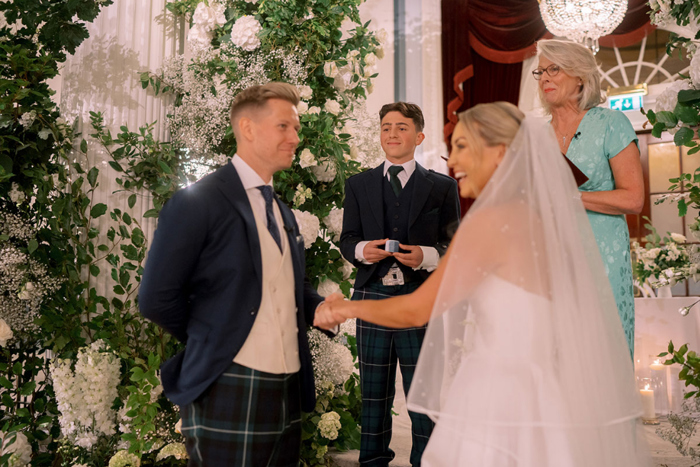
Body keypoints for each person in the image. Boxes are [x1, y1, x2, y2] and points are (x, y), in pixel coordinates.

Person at [317, 102, 650, 466]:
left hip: (497, 393)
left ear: (499, 152)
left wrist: (344, 307)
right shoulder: (547, 221)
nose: (453, 160)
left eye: (462, 146)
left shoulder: (490, 224)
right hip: (547, 393)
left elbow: (417, 308)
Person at [139, 82, 340, 466]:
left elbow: (288, 282)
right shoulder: (197, 202)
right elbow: (155, 299)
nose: (295, 137)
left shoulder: (280, 209)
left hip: (289, 388)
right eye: (285, 126)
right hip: (227, 386)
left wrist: (317, 307)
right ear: (247, 128)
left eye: (296, 128)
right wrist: (217, 337)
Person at [339, 102, 460, 466]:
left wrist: (426, 255)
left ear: (419, 136)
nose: (392, 133)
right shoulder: (357, 185)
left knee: (423, 391)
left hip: (420, 298)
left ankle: (426, 460)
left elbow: (453, 244)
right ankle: (372, 461)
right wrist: (363, 250)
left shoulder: (442, 186)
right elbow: (348, 239)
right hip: (372, 297)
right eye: (386, 127)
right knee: (373, 393)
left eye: (402, 127)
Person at [534, 39, 644, 357]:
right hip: (549, 261)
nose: (544, 77)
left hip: (602, 259)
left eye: (554, 69)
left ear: (580, 76)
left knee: (602, 354)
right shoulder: (536, 135)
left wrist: (572, 199)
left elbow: (634, 199)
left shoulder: (611, 123)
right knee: (554, 357)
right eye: (540, 71)